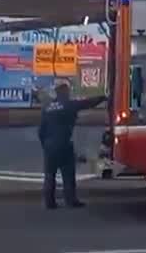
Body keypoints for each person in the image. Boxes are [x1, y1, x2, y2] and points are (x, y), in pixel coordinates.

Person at [39, 81, 107, 209]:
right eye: (67, 91)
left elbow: (41, 131)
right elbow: (86, 103)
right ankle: (71, 200)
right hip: (64, 144)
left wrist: (46, 145)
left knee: (49, 175)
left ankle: (49, 202)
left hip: (49, 145)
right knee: (68, 173)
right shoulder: (68, 104)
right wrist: (103, 97)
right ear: (65, 92)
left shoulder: (47, 108)